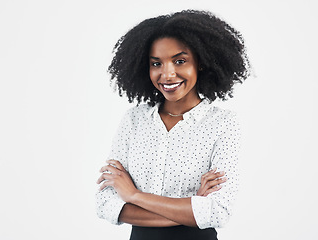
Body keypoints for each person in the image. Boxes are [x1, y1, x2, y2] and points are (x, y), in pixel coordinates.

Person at [95, 10, 250, 240]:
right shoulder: (134, 121)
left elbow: (217, 211)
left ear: (202, 63)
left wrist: (134, 195)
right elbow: (105, 204)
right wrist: (190, 208)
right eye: (156, 63)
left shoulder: (223, 124)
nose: (167, 74)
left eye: (180, 61)